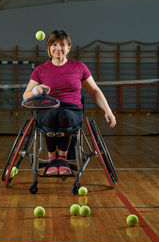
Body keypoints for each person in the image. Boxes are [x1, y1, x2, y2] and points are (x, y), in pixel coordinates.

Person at [23, 30, 116, 175]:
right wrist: (37, 90)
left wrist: (108, 110)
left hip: (72, 110)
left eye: (62, 45)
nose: (58, 48)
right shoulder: (40, 70)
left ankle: (63, 158)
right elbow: (26, 97)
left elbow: (95, 91)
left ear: (69, 47)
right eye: (54, 44)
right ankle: (52, 159)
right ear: (48, 47)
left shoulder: (79, 67)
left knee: (65, 116)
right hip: (48, 109)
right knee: (50, 116)